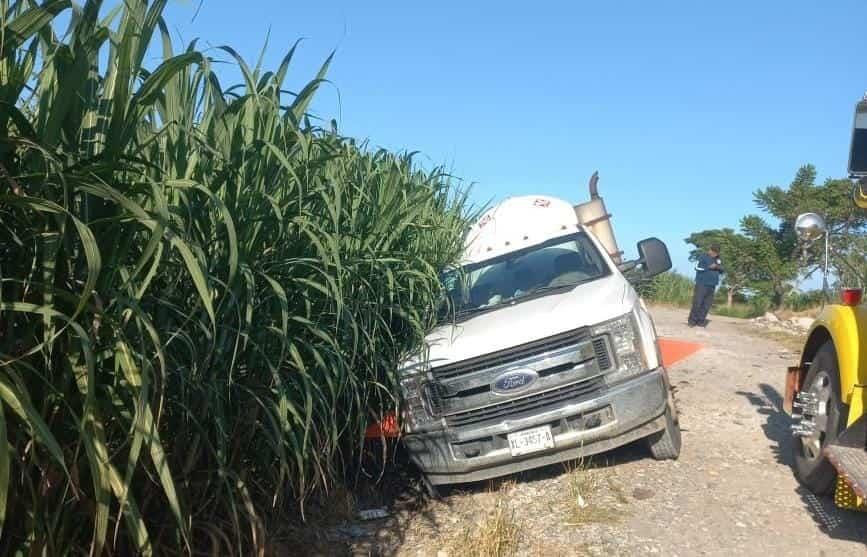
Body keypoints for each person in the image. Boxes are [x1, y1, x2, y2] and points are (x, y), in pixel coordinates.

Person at [688, 244, 723, 327]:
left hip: (712, 284)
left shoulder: (718, 259)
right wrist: (708, 267)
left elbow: (722, 269)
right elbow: (697, 268)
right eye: (713, 251)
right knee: (697, 302)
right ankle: (692, 321)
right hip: (702, 283)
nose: (715, 254)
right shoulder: (703, 257)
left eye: (716, 252)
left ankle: (701, 322)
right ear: (710, 250)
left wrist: (717, 267)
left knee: (707, 304)